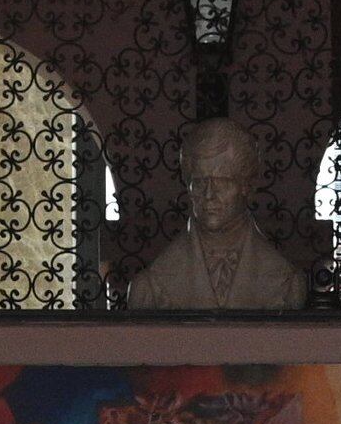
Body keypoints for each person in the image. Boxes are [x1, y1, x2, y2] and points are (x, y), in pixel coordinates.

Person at [120, 119, 311, 313]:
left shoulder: (286, 284)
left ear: (246, 186)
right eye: (200, 182)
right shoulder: (149, 287)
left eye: (223, 182)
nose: (209, 195)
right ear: (188, 186)